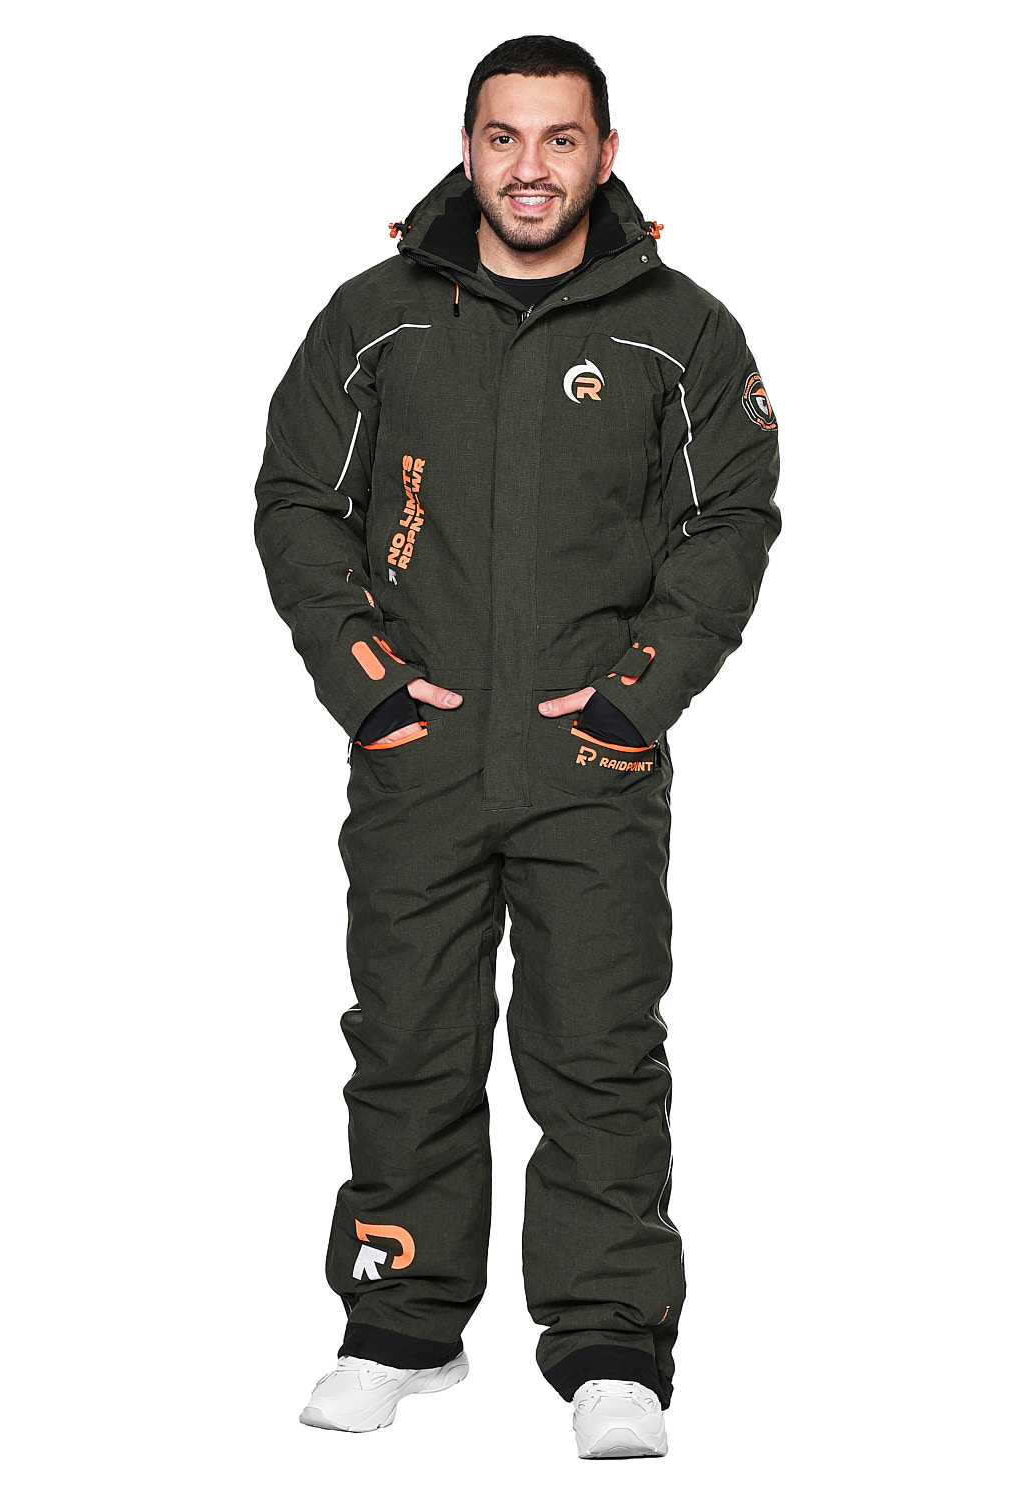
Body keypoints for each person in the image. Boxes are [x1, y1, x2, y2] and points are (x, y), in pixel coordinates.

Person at [253, 33, 781, 1460]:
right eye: (504, 137)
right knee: (406, 1038)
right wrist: (365, 682)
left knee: (596, 1046)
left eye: (560, 138)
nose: (530, 167)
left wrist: (635, 695)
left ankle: (610, 1345)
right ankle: (398, 1325)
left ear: (605, 155)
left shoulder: (679, 331)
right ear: (467, 148)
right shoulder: (376, 318)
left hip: (590, 768)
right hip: (417, 762)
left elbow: (733, 517)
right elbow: (296, 499)